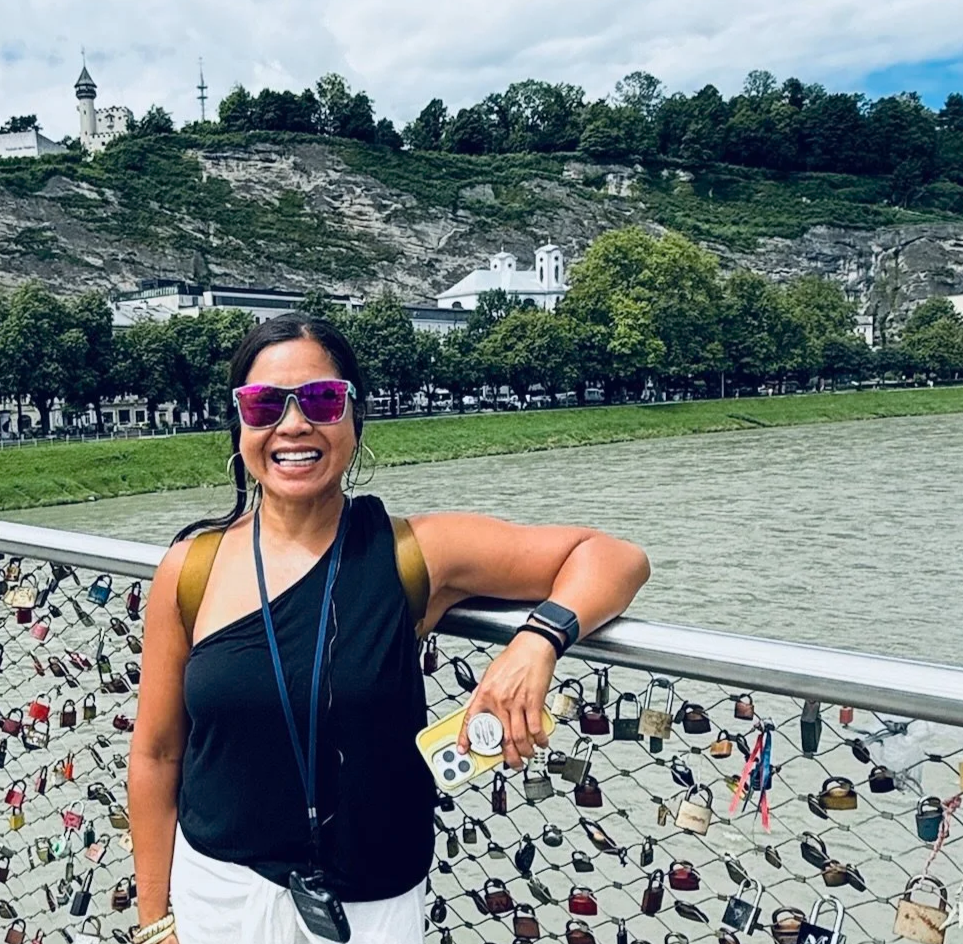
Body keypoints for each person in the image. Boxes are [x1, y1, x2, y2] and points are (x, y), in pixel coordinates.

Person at [127, 313, 650, 944]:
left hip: (373, 902)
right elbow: (157, 756)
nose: (293, 425)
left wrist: (537, 642)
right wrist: (156, 924)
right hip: (220, 894)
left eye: (322, 398)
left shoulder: (412, 552)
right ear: (240, 423)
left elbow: (615, 558)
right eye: (264, 404)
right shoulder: (192, 568)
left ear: (354, 417)